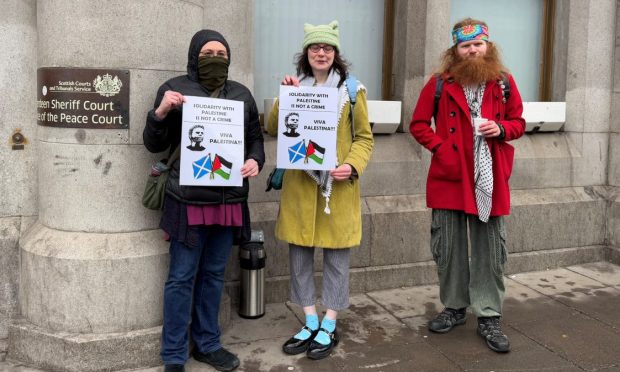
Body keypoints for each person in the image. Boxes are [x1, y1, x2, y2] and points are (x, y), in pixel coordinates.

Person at [143, 29, 265, 372]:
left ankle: (208, 344)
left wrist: (256, 160)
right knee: (181, 277)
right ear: (195, 55)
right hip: (188, 202)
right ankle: (173, 355)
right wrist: (161, 112)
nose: (215, 58)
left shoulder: (241, 94)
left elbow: (255, 139)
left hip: (228, 202)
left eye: (222, 54)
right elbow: (153, 143)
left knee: (213, 274)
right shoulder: (173, 89)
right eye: (208, 52)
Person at [409, 18, 525, 353]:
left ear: (487, 46)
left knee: (490, 249)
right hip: (449, 177)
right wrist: (442, 149)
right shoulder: (439, 83)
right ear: (455, 50)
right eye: (465, 45)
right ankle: (455, 308)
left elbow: (519, 122)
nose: (472, 50)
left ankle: (488, 314)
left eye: (477, 44)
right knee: (449, 247)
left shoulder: (503, 82)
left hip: (489, 178)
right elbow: (418, 124)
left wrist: (500, 130)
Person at [267, 20, 374, 360]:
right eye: (315, 47)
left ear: (335, 54)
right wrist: (283, 98)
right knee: (299, 258)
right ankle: (309, 318)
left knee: (336, 260)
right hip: (300, 188)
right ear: (307, 54)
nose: (321, 53)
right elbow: (273, 129)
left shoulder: (352, 92)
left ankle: (330, 322)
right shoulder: (296, 87)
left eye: (327, 48)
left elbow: (364, 139)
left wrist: (352, 166)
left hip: (336, 191)